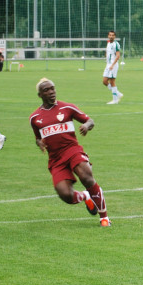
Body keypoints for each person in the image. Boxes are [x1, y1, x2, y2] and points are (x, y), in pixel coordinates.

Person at [30, 78, 110, 227]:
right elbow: (37, 137)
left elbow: (90, 120)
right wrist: (39, 142)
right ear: (40, 95)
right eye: (46, 90)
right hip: (55, 159)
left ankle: (104, 218)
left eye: (52, 88)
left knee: (86, 176)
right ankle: (86, 196)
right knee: (66, 195)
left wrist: (86, 126)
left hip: (72, 150)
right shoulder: (34, 118)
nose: (51, 92)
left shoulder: (67, 108)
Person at [102, 30, 123, 105]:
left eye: (112, 35)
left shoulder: (116, 44)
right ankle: (118, 93)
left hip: (113, 65)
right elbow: (107, 52)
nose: (111, 36)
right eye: (110, 35)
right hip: (108, 64)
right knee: (104, 81)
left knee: (112, 81)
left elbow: (118, 56)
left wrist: (112, 65)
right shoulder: (108, 43)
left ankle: (115, 100)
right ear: (108, 36)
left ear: (115, 36)